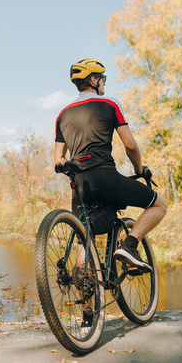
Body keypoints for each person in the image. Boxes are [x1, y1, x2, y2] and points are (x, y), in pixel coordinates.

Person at [54, 58, 167, 272]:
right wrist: (139, 169)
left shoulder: (63, 114)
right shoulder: (110, 104)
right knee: (159, 204)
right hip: (105, 176)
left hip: (78, 184)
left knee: (83, 241)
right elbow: (131, 146)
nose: (104, 83)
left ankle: (86, 301)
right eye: (103, 78)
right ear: (94, 79)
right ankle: (130, 246)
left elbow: (59, 160)